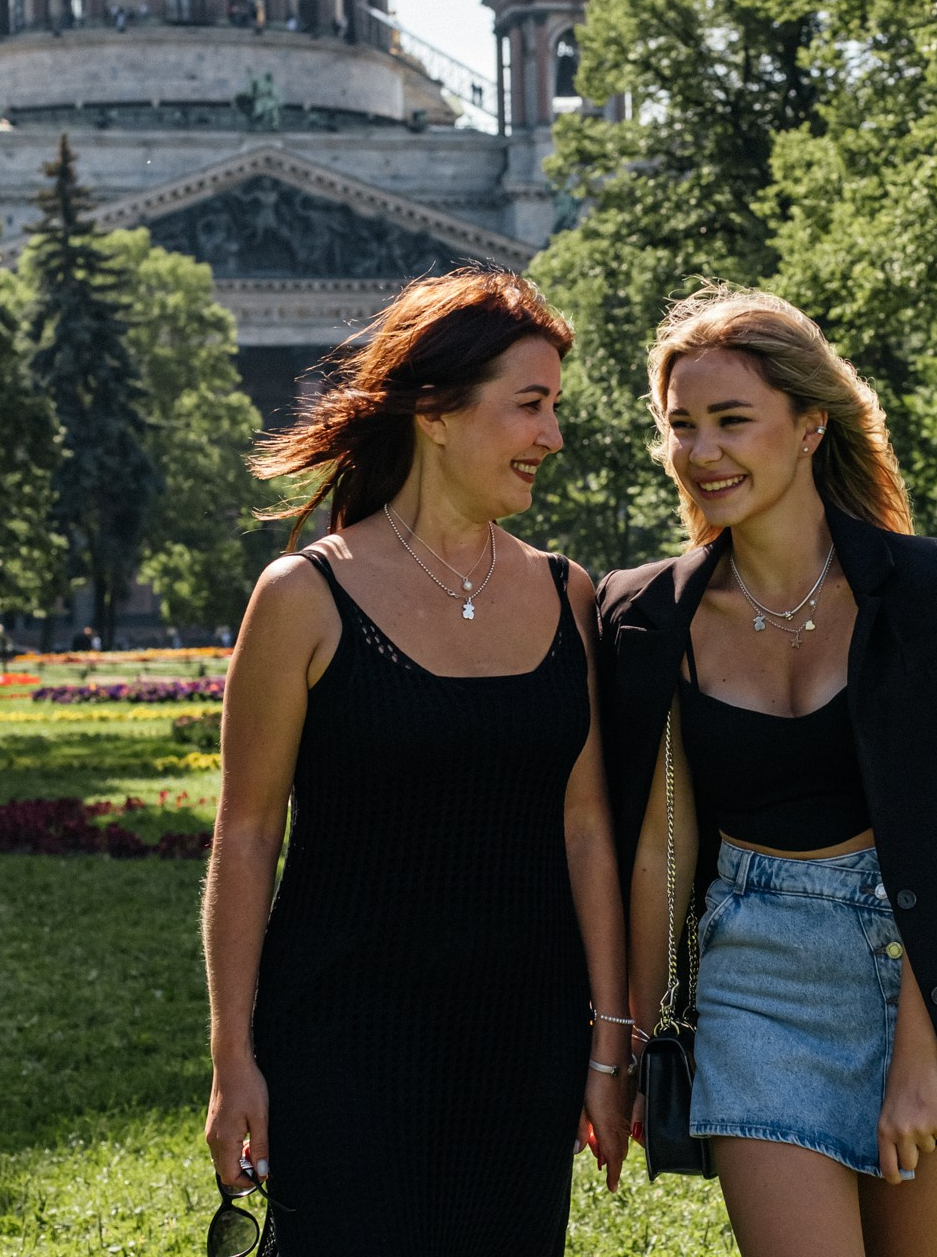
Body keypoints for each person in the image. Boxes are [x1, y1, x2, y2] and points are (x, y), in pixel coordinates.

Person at [599, 286, 937, 1257]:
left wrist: (924, 1061)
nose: (702, 451)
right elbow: (655, 855)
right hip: (756, 978)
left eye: (731, 421)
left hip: (928, 971)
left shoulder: (920, 592)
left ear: (809, 426)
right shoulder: (645, 615)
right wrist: (631, 1046)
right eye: (681, 426)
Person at [201, 269, 632, 1253]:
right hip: (343, 1042)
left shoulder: (570, 595)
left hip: (526, 1041)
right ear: (435, 412)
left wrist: (610, 1039)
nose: (552, 436)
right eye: (530, 406)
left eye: (554, 407)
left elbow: (586, 826)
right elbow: (248, 831)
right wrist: (234, 1057)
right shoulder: (304, 596)